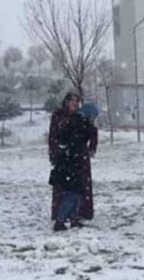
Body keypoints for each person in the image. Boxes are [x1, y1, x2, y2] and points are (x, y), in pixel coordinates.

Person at [48, 91, 98, 223]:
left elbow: (90, 135)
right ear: (66, 102)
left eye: (77, 101)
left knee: (79, 187)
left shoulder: (82, 117)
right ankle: (61, 215)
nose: (74, 104)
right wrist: (54, 153)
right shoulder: (58, 115)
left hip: (79, 157)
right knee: (64, 187)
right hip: (64, 157)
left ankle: (78, 213)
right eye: (72, 101)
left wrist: (92, 144)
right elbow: (54, 135)